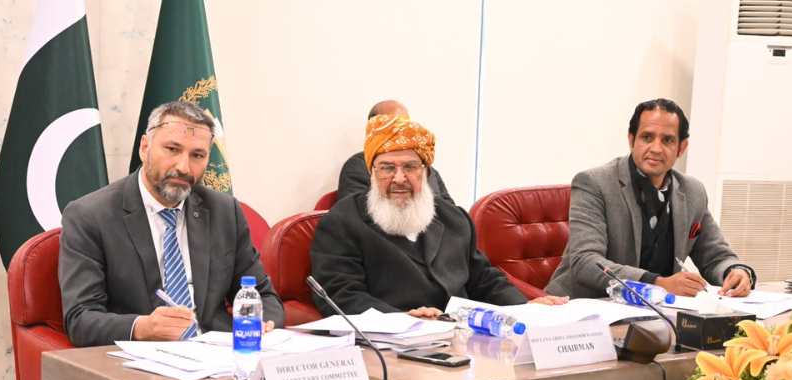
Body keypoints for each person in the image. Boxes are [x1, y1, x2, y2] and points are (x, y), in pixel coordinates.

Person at [59, 101, 284, 347]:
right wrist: (142, 328)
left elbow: (262, 295)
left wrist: (264, 323)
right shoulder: (90, 215)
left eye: (197, 155)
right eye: (172, 149)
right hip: (142, 357)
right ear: (145, 148)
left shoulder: (225, 211)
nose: (183, 167)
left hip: (217, 353)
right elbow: (80, 318)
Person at [311, 114, 567, 318]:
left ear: (426, 173)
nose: (398, 178)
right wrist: (400, 320)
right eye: (386, 168)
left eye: (410, 167)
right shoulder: (343, 221)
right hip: (392, 346)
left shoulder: (452, 217)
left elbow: (483, 278)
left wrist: (524, 309)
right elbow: (340, 295)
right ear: (372, 175)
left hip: (462, 338)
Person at [545, 98, 755, 300]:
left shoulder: (693, 191)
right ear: (631, 140)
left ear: (681, 148)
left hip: (655, 312)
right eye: (647, 137)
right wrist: (656, 283)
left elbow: (716, 256)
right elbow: (586, 262)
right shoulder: (594, 183)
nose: (656, 148)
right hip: (581, 306)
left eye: (668, 140)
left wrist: (735, 271)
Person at [337, 100, 455, 204]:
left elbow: (450, 210)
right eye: (387, 168)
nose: (402, 129)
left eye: (406, 124)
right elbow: (354, 210)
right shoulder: (357, 165)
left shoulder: (426, 168)